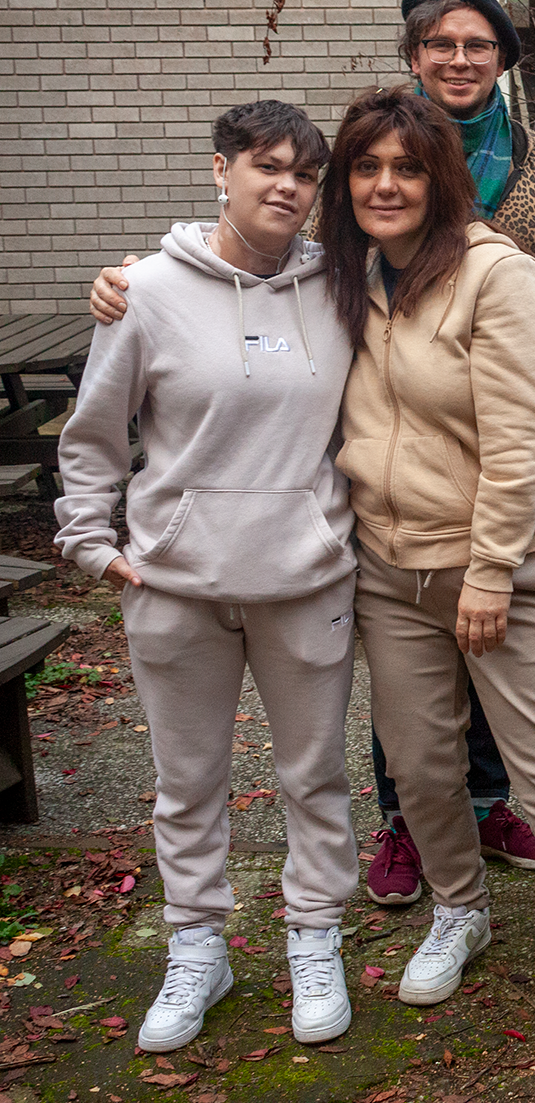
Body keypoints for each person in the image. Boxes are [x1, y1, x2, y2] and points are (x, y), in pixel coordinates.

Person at [86, 0, 535, 905]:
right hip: (384, 514)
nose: (459, 58)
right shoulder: (352, 233)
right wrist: (142, 275)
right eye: (441, 44)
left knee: (512, 700)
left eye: (479, 45)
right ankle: (423, 834)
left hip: (501, 434)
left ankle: (496, 808)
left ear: (504, 66)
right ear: (413, 61)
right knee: (410, 722)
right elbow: (260, 243)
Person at [322, 86, 535, 1075]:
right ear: (345, 182)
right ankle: (459, 909)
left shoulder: (496, 275)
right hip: (388, 571)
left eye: (405, 166)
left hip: (501, 570)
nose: (385, 184)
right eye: (366, 166)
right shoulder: (347, 276)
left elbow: (522, 438)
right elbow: (234, 262)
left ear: (441, 177)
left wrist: (490, 570)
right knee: (422, 767)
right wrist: (129, 279)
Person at [55, 101, 359, 1052]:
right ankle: (198, 947)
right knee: (187, 782)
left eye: (305, 175)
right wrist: (89, 542)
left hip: (306, 575)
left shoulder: (339, 287)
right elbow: (95, 434)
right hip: (175, 583)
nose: (288, 188)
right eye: (267, 166)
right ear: (218, 169)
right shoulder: (144, 291)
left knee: (314, 777)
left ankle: (313, 936)